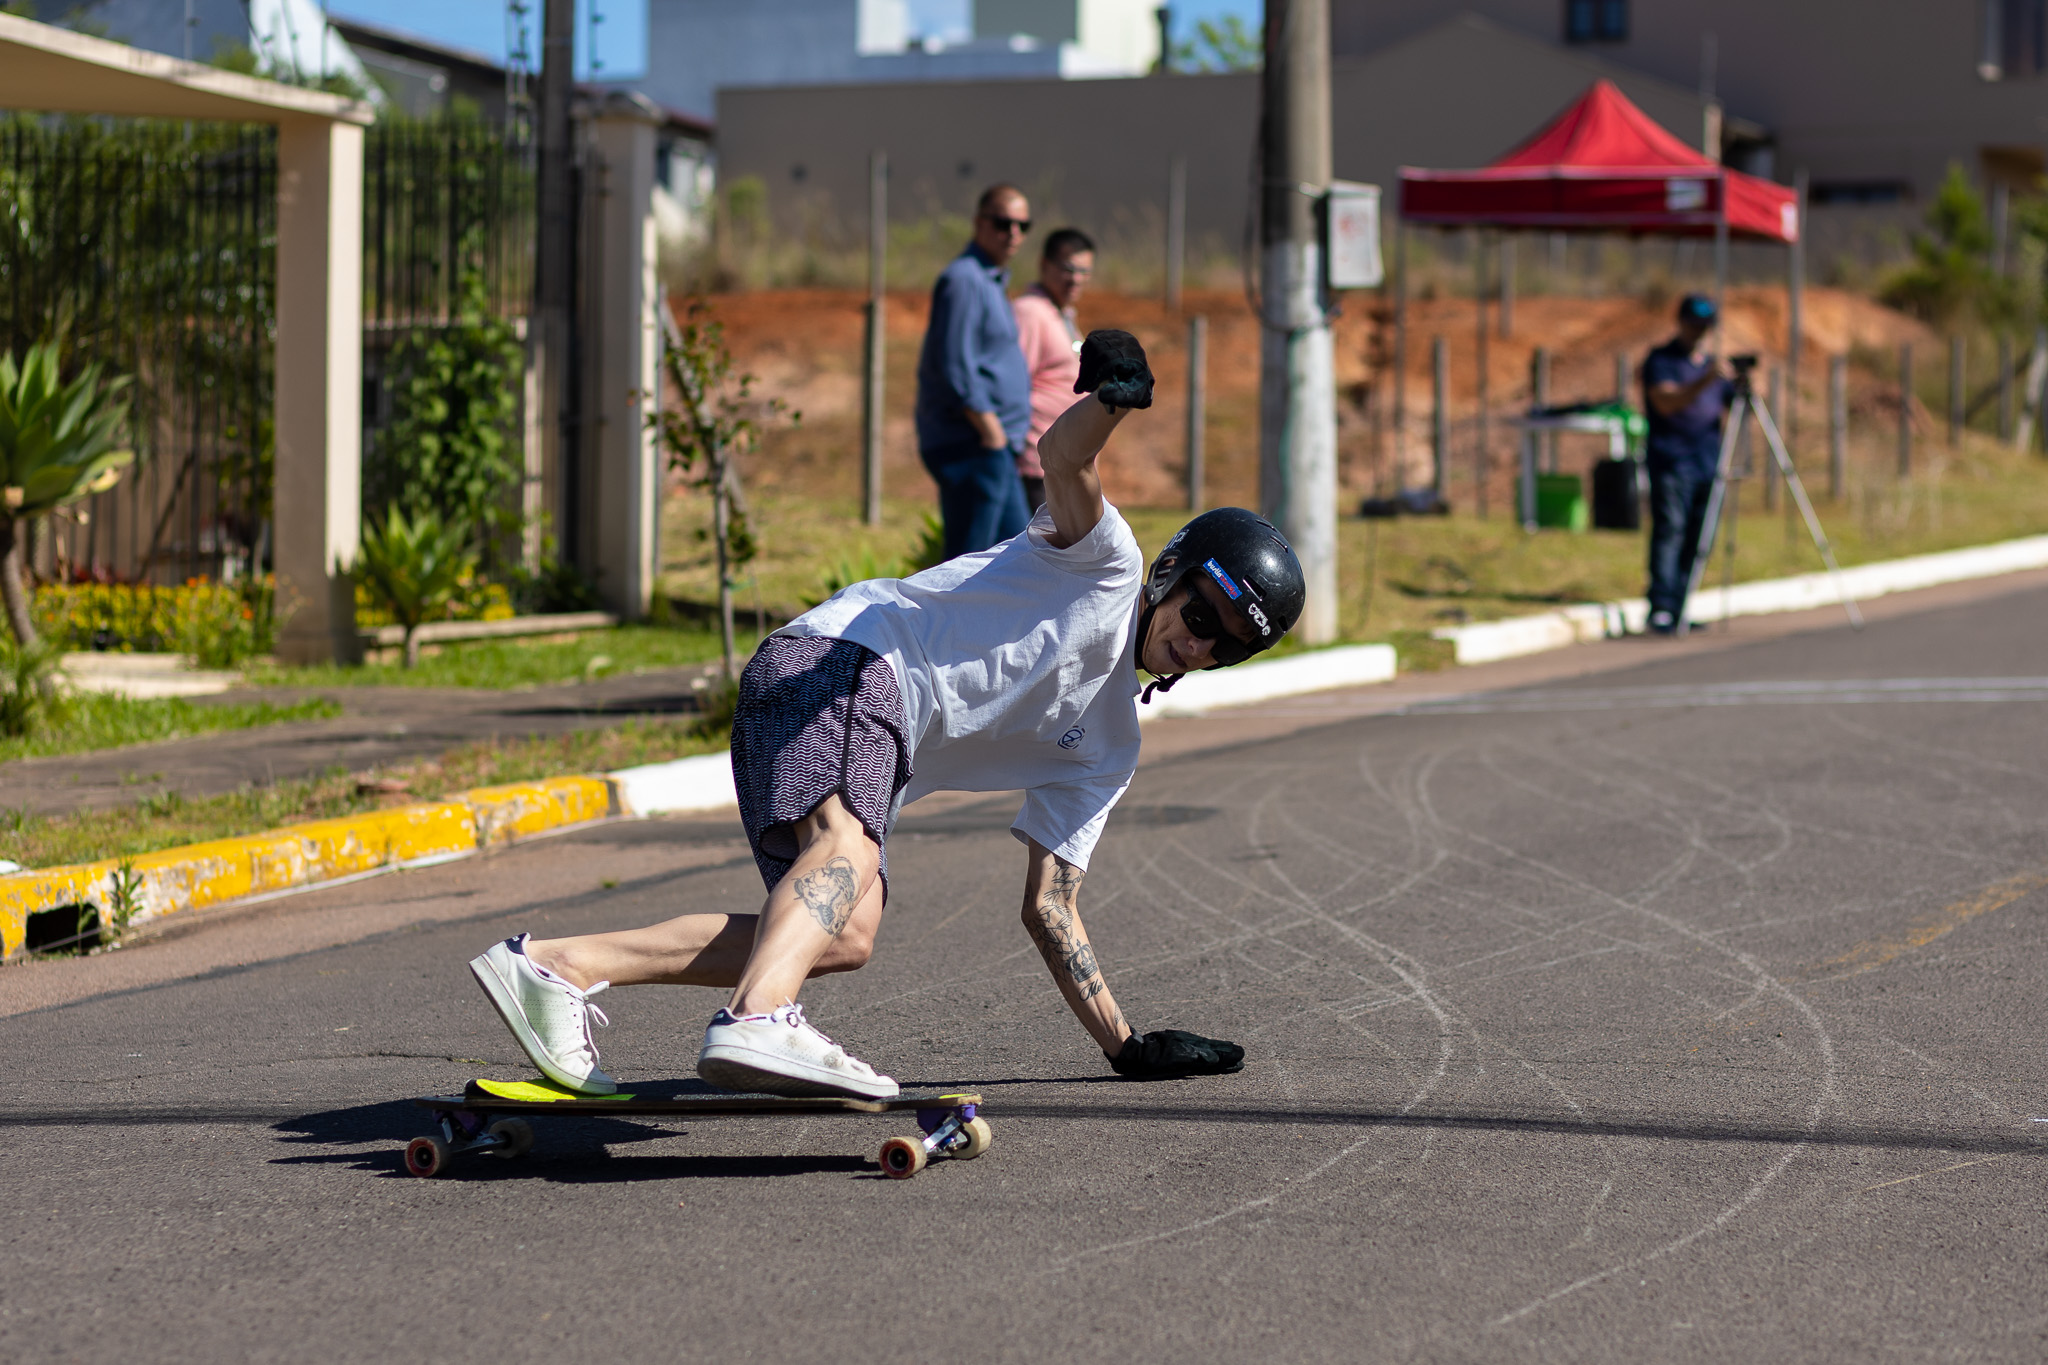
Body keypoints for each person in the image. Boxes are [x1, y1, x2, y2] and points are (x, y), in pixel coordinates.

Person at [466, 331, 1306, 1100]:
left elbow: (1051, 907)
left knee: (844, 931)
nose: (1199, 647)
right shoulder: (1106, 565)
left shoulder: (1108, 750)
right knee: (843, 852)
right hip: (846, 662)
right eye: (1201, 617)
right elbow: (1062, 453)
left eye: (1225, 647)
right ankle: (758, 1016)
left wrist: (1127, 1046)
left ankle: (558, 968)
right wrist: (1110, 402)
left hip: (837, 717)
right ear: (1171, 574)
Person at [915, 184, 1034, 559]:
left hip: (993, 449)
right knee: (969, 569)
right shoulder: (964, 280)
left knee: (1015, 563)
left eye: (1022, 225)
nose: (1013, 233)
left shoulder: (991, 281)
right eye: (1003, 222)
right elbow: (955, 364)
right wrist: (991, 431)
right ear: (978, 223)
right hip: (973, 444)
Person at [1641, 294, 1735, 634]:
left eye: (1705, 327)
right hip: (1671, 459)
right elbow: (1666, 402)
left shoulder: (1714, 367)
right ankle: (1661, 607)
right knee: (1670, 530)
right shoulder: (1661, 361)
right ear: (1680, 323)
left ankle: (1681, 604)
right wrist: (1706, 379)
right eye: (1694, 325)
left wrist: (1742, 386)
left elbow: (1735, 407)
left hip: (1707, 462)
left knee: (1697, 537)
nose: (1699, 332)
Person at [1012, 227, 1095, 514]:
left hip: (1064, 464)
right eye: (1068, 269)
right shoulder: (1030, 313)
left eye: (1084, 271)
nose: (1076, 279)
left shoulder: (1062, 314)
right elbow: (1014, 383)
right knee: (1039, 553)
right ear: (1044, 265)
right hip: (1036, 463)